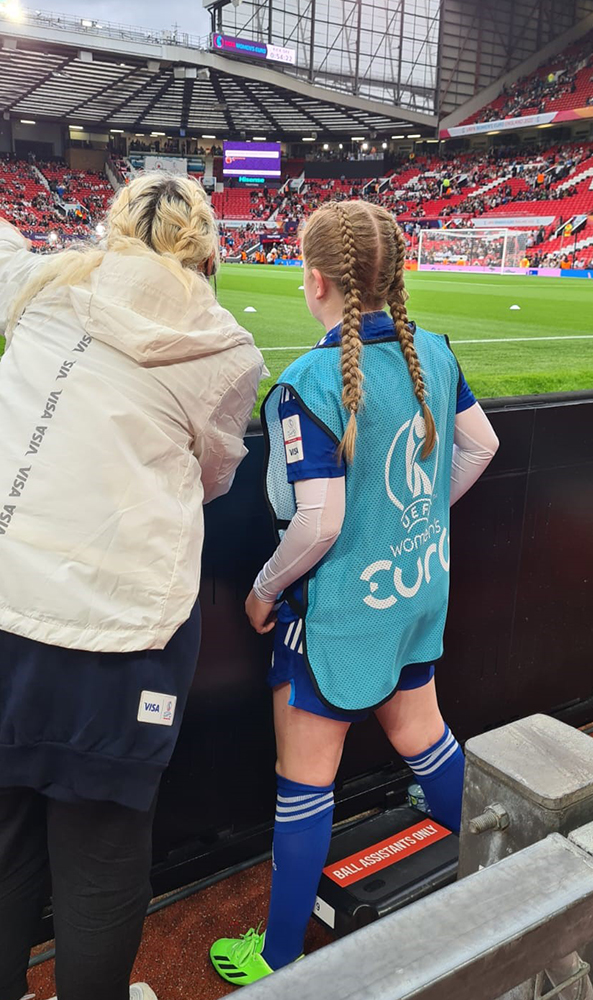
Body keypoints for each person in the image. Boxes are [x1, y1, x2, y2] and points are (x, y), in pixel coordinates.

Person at [209, 200, 499, 985]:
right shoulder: (432, 350)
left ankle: (274, 959)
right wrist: (419, 517)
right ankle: (503, 865)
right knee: (424, 736)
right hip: (411, 596)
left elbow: (320, 520)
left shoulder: (306, 383)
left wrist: (266, 590)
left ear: (314, 282)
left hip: (334, 616)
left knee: (305, 783)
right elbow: (483, 445)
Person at [0, 173, 265, 1000]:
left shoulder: (44, 283)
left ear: (114, 225)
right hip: (121, 636)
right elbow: (217, 474)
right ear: (205, 245)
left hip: (8, 603)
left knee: (4, 840)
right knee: (102, 853)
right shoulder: (224, 348)